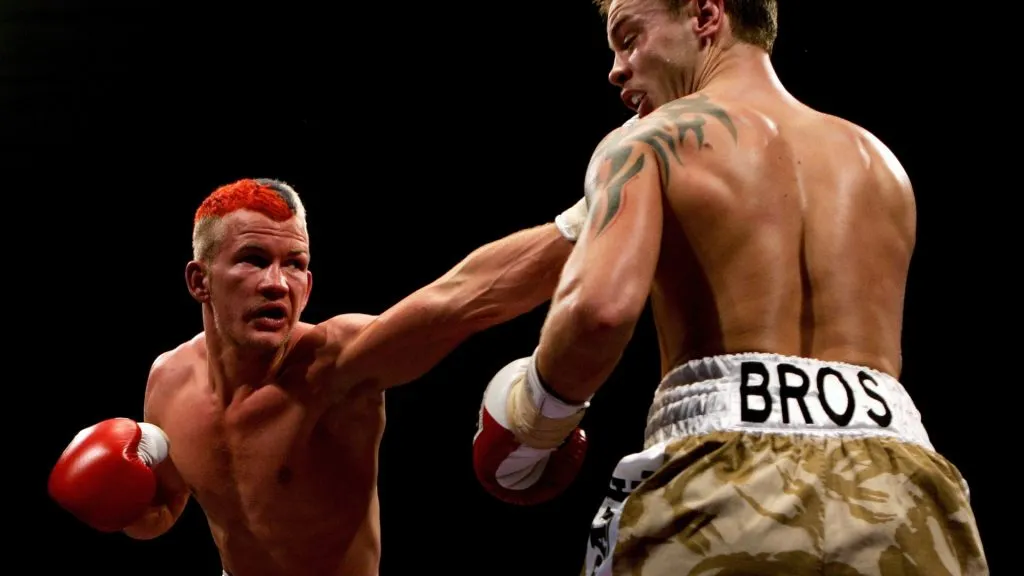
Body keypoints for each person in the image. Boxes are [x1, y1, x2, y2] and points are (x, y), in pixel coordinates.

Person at [471, 1, 989, 575]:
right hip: (904, 483)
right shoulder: (879, 160)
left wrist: (536, 414)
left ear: (705, 14)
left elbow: (600, 312)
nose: (616, 69)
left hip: (723, 469)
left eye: (629, 38)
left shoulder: (652, 140)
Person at [47, 177, 592, 576]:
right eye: (253, 259)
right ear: (199, 280)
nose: (277, 284)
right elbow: (162, 511)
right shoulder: (167, 382)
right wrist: (120, 506)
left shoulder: (337, 366)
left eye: (296, 265)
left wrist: (591, 219)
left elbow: (460, 299)